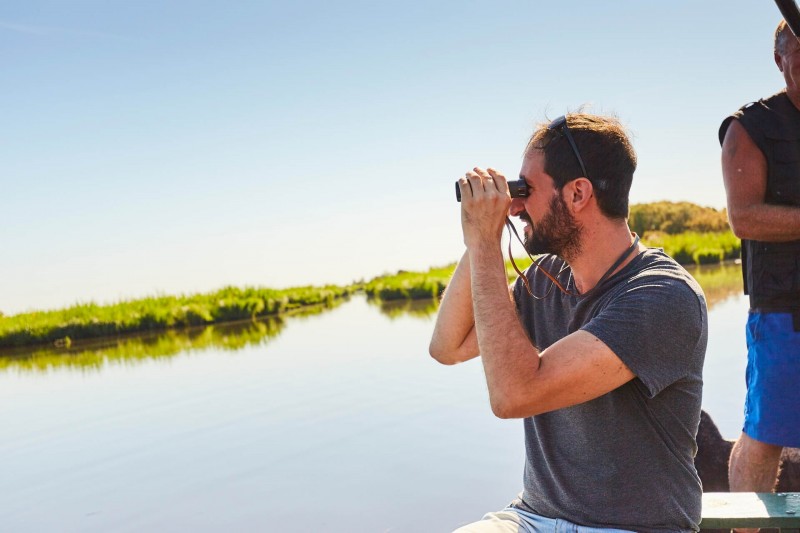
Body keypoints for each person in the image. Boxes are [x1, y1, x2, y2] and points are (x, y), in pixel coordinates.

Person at [429, 112, 707, 532]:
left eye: (525, 189)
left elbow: (514, 395)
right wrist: (480, 237)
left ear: (577, 193)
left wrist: (486, 239)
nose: (515, 204)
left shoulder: (662, 296)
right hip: (533, 518)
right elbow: (447, 347)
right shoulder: (546, 278)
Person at [720, 19, 800, 514]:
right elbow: (744, 218)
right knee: (766, 433)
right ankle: (745, 529)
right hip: (784, 310)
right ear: (780, 61)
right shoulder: (749, 128)